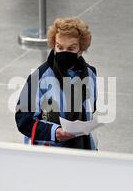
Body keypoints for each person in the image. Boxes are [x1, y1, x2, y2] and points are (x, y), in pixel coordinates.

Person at [15, 17, 98, 150]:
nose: (64, 52)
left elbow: (90, 109)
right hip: (47, 154)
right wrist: (55, 132)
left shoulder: (91, 74)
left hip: (83, 149)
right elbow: (23, 120)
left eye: (71, 48)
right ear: (54, 46)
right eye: (59, 47)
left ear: (81, 49)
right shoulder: (39, 77)